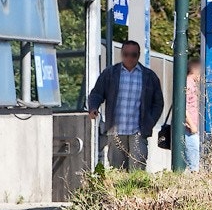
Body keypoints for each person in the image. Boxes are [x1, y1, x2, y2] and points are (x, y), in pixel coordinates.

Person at [87, 40, 165, 172]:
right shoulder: (110, 74)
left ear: (138, 55)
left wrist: (149, 123)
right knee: (117, 171)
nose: (129, 58)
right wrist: (93, 107)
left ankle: (136, 193)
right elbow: (96, 93)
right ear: (121, 54)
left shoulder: (149, 76)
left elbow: (158, 103)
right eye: (126, 54)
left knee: (137, 171)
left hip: (138, 132)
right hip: (116, 131)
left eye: (133, 55)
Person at [182, 56, 202, 173]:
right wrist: (192, 125)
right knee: (193, 165)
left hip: (192, 129)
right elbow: (183, 107)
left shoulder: (192, 84)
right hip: (189, 129)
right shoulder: (188, 84)